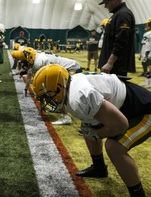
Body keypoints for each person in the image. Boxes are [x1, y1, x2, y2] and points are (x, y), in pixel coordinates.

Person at [32, 64, 151, 197]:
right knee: (87, 126)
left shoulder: (79, 96)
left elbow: (120, 124)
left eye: (48, 95)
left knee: (113, 147)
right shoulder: (71, 85)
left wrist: (97, 134)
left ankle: (138, 194)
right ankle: (99, 168)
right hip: (126, 105)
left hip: (144, 110)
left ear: (60, 87)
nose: (46, 101)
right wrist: (92, 131)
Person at [19, 47, 81, 125]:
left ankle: (65, 117)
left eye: (26, 62)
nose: (26, 65)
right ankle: (60, 109)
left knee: (56, 90)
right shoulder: (37, 58)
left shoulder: (38, 62)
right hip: (67, 68)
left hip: (72, 68)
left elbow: (48, 82)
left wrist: (41, 105)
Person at [98, 0, 136, 76]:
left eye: (106, 3)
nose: (105, 6)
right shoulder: (117, 14)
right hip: (113, 66)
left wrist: (110, 63)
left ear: (114, 1)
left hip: (116, 66)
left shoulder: (123, 15)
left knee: (115, 89)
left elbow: (121, 41)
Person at [139, 17, 151, 82]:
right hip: (145, 50)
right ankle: (147, 82)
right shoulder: (146, 33)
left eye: (148, 24)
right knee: (146, 64)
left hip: (148, 51)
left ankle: (148, 82)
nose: (146, 25)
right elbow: (143, 44)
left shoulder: (148, 33)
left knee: (149, 65)